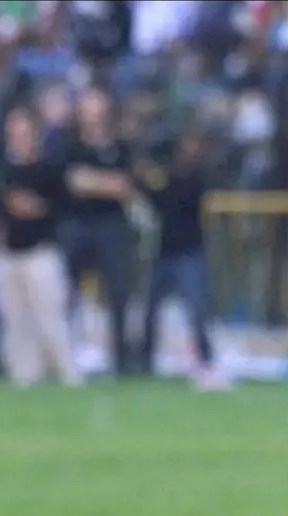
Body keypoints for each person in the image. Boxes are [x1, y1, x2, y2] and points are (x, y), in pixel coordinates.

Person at [0, 105, 82, 387]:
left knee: (50, 316)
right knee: (15, 319)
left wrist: (37, 208)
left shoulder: (50, 168)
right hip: (8, 253)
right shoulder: (1, 170)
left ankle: (67, 372)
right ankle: (24, 375)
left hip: (41, 251)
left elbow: (64, 207)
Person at [138, 128, 231, 391]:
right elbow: (155, 201)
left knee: (196, 310)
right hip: (163, 251)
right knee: (150, 310)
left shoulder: (199, 174)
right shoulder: (164, 173)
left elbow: (182, 198)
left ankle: (206, 360)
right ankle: (143, 360)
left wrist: (160, 180)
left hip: (189, 251)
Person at [60, 86, 136, 377]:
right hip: (78, 225)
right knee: (68, 292)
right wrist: (105, 183)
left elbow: (124, 185)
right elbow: (72, 181)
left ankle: (123, 361)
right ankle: (66, 358)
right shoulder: (70, 145)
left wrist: (91, 181)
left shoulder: (121, 146)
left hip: (112, 226)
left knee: (118, 293)